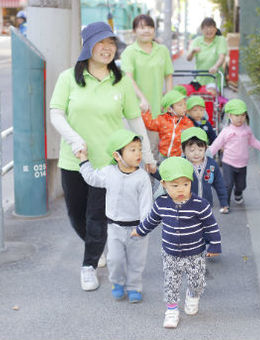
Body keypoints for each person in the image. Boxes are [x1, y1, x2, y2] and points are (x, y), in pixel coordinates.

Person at [49, 21, 155, 292]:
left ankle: (88, 265)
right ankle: (96, 246)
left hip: (109, 163)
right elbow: (56, 113)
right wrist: (74, 139)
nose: (107, 49)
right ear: (88, 46)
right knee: (76, 215)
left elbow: (134, 119)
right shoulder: (68, 78)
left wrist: (148, 155)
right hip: (75, 160)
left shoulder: (120, 81)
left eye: (111, 44)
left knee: (97, 216)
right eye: (101, 43)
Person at [131, 157, 222, 329]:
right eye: (175, 185)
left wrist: (215, 244)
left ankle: (192, 295)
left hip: (195, 252)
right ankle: (171, 310)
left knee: (197, 280)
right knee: (171, 283)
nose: (181, 189)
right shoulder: (161, 204)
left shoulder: (199, 205)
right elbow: (151, 220)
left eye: (185, 184)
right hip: (170, 254)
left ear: (190, 183)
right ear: (164, 184)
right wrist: (140, 230)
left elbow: (211, 225)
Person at [78, 129, 152, 303]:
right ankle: (117, 283)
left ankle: (134, 287)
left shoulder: (142, 177)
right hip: (114, 227)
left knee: (136, 262)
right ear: (117, 155)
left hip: (137, 229)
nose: (138, 154)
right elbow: (92, 178)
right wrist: (83, 160)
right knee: (115, 259)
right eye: (132, 150)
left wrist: (144, 227)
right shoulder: (109, 172)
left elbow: (146, 204)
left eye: (139, 149)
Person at [120, 14, 174, 161]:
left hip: (156, 110)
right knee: (132, 151)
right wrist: (142, 98)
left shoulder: (162, 50)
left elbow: (168, 75)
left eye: (150, 27)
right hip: (134, 109)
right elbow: (128, 78)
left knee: (152, 150)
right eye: (141, 27)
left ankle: (149, 183)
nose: (146, 31)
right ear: (134, 31)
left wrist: (168, 101)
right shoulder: (129, 52)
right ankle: (134, 183)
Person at [209, 99, 260, 207]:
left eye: (243, 115)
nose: (240, 118)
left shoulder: (247, 130)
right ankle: (225, 204)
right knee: (228, 185)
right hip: (228, 162)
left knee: (241, 185)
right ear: (229, 115)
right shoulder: (226, 131)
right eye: (237, 115)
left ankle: (238, 193)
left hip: (242, 163)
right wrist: (207, 155)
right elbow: (217, 144)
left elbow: (253, 141)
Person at [181, 127, 228, 213]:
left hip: (206, 205)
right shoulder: (181, 165)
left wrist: (224, 202)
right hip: (186, 206)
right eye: (192, 150)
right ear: (183, 151)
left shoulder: (211, 165)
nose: (196, 153)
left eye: (200, 150)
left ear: (206, 148)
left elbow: (219, 184)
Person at [142, 90, 194, 159]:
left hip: (180, 157)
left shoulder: (187, 123)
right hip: (163, 156)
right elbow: (150, 125)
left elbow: (193, 138)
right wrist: (145, 112)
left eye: (184, 104)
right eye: (180, 105)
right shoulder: (162, 119)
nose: (184, 107)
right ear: (169, 109)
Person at [186, 17, 227, 92]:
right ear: (202, 30)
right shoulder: (197, 41)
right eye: (206, 28)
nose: (209, 31)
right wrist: (192, 52)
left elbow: (222, 57)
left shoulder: (221, 40)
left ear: (215, 29)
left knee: (211, 96)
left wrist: (215, 67)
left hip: (214, 79)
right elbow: (188, 59)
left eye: (211, 28)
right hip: (199, 80)